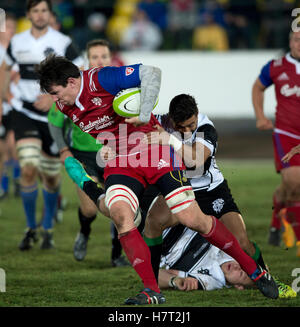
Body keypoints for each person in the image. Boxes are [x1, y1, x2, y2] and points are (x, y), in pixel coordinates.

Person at [36, 54, 278, 305]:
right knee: (120, 215)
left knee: (191, 218)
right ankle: (152, 290)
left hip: (152, 149)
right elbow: (100, 126)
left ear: (73, 82)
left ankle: (254, 270)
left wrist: (143, 112)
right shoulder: (64, 106)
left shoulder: (103, 78)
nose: (54, 100)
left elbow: (152, 72)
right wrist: (106, 143)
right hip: (121, 158)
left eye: (55, 93)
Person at [140, 94, 295, 298]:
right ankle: (152, 285)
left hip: (211, 192)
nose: (187, 130)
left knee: (241, 242)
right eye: (181, 127)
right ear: (171, 120)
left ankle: (268, 278)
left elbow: (195, 160)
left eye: (191, 125)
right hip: (179, 188)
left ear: (197, 115)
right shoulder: (161, 122)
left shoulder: (206, 128)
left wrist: (170, 140)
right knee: (153, 222)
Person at [5, 0, 83, 250]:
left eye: (44, 11)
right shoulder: (17, 41)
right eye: (35, 10)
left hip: (53, 115)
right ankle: (30, 228)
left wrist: (53, 98)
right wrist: (5, 94)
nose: (40, 15)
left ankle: (47, 226)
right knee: (28, 166)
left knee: (50, 177)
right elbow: (5, 69)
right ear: (28, 14)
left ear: (50, 14)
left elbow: (79, 71)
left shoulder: (63, 42)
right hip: (23, 110)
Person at [48, 39, 129, 266]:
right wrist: (63, 149)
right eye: (95, 57)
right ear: (87, 60)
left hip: (115, 153)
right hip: (83, 156)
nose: (100, 61)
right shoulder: (73, 87)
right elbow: (55, 122)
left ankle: (116, 255)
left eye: (104, 56)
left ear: (110, 58)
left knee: (119, 203)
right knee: (90, 209)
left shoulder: (118, 84)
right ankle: (84, 232)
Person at [252, 30, 300, 256]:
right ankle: (297, 239)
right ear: (290, 41)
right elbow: (258, 87)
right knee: (294, 180)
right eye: (296, 39)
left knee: (288, 188)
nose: (299, 43)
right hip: (286, 133)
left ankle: (275, 223)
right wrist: (260, 116)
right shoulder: (276, 66)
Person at [0, 13, 20, 199]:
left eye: (14, 28)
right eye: (8, 27)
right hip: (2, 104)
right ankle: (4, 184)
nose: (11, 31)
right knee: (2, 149)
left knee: (13, 145)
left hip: (14, 105)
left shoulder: (18, 51)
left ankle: (17, 181)